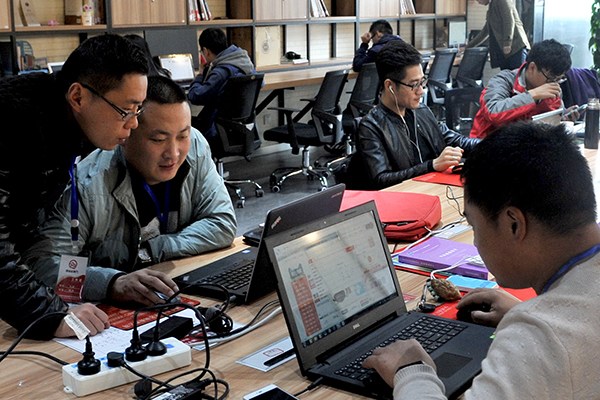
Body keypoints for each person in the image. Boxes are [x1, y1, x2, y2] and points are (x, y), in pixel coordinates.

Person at [363, 121, 600, 399]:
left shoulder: (538, 337)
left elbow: (557, 339)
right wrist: (525, 314)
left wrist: (412, 372)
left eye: (475, 226)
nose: (476, 242)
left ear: (514, 224)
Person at [24, 76, 237, 307]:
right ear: (126, 134)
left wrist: (152, 250)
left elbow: (222, 222)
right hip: (103, 313)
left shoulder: (195, 145)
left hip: (168, 292)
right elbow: (43, 265)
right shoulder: (85, 186)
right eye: (158, 139)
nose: (174, 153)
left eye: (182, 135)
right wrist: (111, 283)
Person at [0, 34, 148, 339]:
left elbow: (41, 251)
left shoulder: (67, 133)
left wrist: (109, 284)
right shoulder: (14, 126)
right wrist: (49, 314)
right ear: (78, 97)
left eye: (139, 110)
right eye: (126, 110)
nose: (133, 124)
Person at [346, 40, 479, 190]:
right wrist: (432, 165)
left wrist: (495, 143)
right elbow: (381, 179)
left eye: (422, 82)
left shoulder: (422, 111)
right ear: (390, 86)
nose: (421, 90)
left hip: (433, 191)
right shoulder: (371, 126)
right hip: (402, 200)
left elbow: (456, 140)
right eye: (414, 84)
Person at [470, 38, 574, 139]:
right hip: (488, 146)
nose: (554, 83)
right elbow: (493, 112)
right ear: (532, 67)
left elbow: (552, 119)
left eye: (559, 79)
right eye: (551, 78)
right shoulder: (503, 80)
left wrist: (565, 116)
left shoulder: (552, 87)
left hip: (526, 146)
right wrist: (532, 95)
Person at [187, 28, 257, 148]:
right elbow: (260, 83)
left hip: (217, 129)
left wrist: (200, 75)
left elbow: (195, 96)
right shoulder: (244, 62)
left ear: (206, 51)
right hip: (241, 128)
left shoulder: (221, 72)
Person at [467, 0, 530, 70]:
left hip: (515, 47)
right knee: (506, 78)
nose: (478, 2)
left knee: (516, 77)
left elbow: (509, 19)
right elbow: (485, 31)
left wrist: (507, 42)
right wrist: (469, 46)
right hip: (505, 51)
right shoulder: (491, 6)